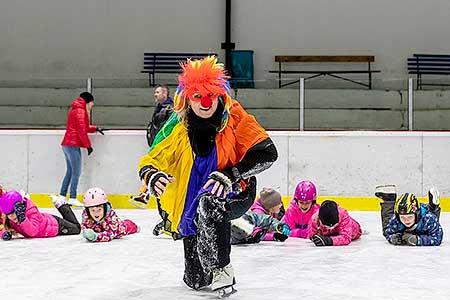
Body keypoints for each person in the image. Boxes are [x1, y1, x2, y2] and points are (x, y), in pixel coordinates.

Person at [137, 56, 277, 297]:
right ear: (187, 98)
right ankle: (218, 236)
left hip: (233, 191)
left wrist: (231, 174)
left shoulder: (234, 116)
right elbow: (153, 158)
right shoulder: (178, 125)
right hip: (191, 199)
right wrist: (151, 174)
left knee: (210, 202)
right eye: (198, 96)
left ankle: (223, 268)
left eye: (211, 95)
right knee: (196, 281)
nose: (205, 103)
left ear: (220, 95)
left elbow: (267, 153)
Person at [54, 92, 105, 207]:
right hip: (72, 144)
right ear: (88, 101)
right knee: (76, 172)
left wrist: (96, 128)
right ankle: (72, 197)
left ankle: (62, 195)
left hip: (67, 144)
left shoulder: (75, 109)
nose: (92, 106)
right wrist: (88, 145)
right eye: (92, 103)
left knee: (70, 171)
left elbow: (84, 127)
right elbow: (81, 131)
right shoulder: (81, 111)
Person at [375, 185, 443, 246]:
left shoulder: (428, 218)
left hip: (425, 221)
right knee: (386, 228)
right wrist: (392, 238)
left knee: (433, 221)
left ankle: (433, 207)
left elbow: (437, 238)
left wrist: (418, 240)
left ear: (417, 214)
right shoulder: (396, 219)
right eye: (402, 217)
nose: (406, 220)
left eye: (410, 217)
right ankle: (389, 199)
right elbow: (388, 233)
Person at [0, 190, 81, 241]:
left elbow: (33, 232)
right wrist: (4, 233)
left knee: (77, 229)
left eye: (14, 213)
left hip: (56, 225)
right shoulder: (12, 220)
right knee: (72, 224)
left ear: (21, 208)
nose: (12, 217)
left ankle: (61, 206)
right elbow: (3, 228)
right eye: (9, 215)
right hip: (46, 223)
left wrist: (22, 218)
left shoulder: (31, 211)